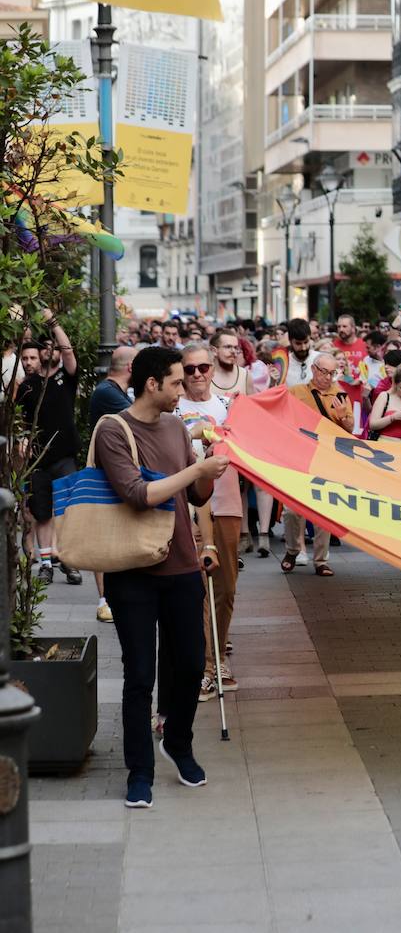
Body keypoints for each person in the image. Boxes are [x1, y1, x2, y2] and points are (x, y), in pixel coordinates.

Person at [95, 346, 229, 808]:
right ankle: (140, 772)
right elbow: (137, 494)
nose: (183, 389)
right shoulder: (114, 430)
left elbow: (194, 494)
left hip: (181, 566)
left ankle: (178, 741)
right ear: (152, 384)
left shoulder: (177, 427)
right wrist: (195, 467)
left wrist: (209, 466)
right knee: (139, 676)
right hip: (133, 571)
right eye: (176, 381)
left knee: (191, 664)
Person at [174, 344, 243, 700]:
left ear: (214, 368)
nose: (197, 374)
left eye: (203, 367)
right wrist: (191, 433)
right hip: (188, 509)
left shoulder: (231, 407)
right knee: (198, 588)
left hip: (227, 503)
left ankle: (218, 656)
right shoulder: (174, 409)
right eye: (190, 369)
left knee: (226, 589)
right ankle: (206, 666)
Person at [17, 312, 82, 586]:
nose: (47, 351)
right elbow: (19, 418)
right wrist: (21, 437)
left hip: (65, 456)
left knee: (66, 513)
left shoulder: (66, 378)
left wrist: (54, 323)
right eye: (41, 349)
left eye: (50, 347)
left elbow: (68, 352)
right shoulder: (28, 386)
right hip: (38, 459)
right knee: (41, 513)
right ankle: (46, 563)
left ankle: (69, 560)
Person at [281, 353, 352, 577]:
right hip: (299, 457)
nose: (328, 378)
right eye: (324, 372)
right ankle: (293, 549)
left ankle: (321, 560)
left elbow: (349, 430)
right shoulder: (296, 392)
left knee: (323, 510)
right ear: (314, 369)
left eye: (333, 373)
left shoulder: (340, 394)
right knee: (292, 510)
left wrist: (343, 417)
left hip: (327, 459)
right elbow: (282, 417)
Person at [88, 345, 137, 622]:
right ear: (130, 368)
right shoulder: (108, 393)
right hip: (104, 477)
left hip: (110, 475)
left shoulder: (111, 391)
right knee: (103, 540)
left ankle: (112, 597)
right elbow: (137, 418)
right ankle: (104, 600)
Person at [207, 330, 254, 400]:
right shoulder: (204, 374)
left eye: (235, 348)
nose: (233, 351)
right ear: (214, 351)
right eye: (228, 347)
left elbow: (251, 406)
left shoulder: (245, 375)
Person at [282, 318, 320, 387]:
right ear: (290, 341)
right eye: (298, 343)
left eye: (306, 342)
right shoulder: (284, 364)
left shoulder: (320, 359)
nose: (303, 347)